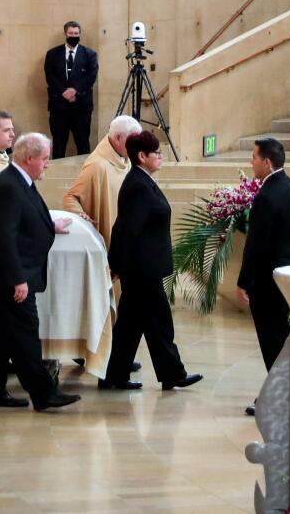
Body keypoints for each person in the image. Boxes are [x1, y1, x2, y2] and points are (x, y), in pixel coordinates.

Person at [0, 132, 80, 412]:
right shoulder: (10, 185)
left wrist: (48, 226)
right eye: (45, 158)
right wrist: (17, 279)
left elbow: (27, 216)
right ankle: (44, 393)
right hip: (13, 277)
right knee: (26, 335)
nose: (47, 164)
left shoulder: (21, 181)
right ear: (29, 158)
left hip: (14, 274)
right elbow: (4, 237)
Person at [103, 130, 198, 391]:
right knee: (159, 321)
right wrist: (116, 265)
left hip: (142, 267)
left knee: (131, 325)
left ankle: (115, 374)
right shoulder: (138, 185)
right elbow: (125, 229)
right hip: (141, 268)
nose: (160, 156)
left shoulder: (142, 181)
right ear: (142, 156)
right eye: (156, 153)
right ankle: (173, 374)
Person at [236, 138, 290, 389]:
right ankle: (284, 389)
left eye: (254, 157)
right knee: (280, 337)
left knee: (271, 339)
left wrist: (244, 282)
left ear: (266, 161)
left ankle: (280, 394)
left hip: (269, 280)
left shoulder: (267, 195)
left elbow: (257, 244)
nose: (251, 162)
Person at [61, 113, 137, 241]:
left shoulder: (126, 160)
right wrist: (80, 215)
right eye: (133, 140)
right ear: (118, 138)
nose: (136, 145)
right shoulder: (97, 165)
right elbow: (70, 197)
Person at [42, 20, 98, 159]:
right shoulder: (52, 54)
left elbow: (91, 76)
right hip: (59, 107)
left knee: (83, 145)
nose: (74, 35)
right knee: (59, 145)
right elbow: (50, 75)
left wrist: (75, 91)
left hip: (81, 107)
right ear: (65, 34)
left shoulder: (89, 54)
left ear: (80, 34)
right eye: (71, 33)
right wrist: (63, 92)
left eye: (76, 33)